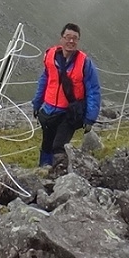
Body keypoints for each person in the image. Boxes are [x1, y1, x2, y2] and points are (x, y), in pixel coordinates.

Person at [31, 22, 101, 170]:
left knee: (58, 145)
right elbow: (44, 80)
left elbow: (93, 90)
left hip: (69, 112)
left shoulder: (84, 63)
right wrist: (37, 103)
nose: (71, 41)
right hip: (49, 110)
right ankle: (44, 171)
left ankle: (58, 173)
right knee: (47, 143)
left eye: (75, 38)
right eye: (68, 37)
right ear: (61, 38)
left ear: (78, 41)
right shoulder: (50, 58)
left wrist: (90, 118)